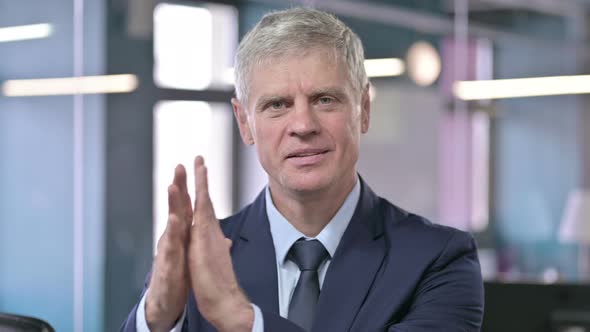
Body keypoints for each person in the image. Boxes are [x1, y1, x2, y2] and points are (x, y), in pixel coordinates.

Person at [121, 7, 484, 332]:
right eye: (277, 105)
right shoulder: (202, 259)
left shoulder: (437, 259)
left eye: (325, 100)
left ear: (364, 109)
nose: (303, 125)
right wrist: (155, 317)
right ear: (244, 123)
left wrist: (246, 323)